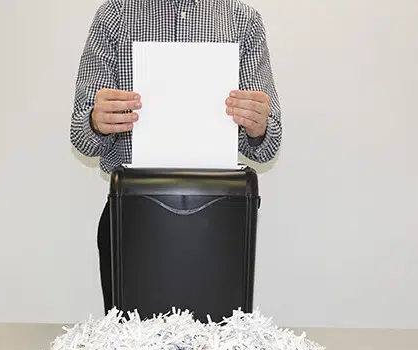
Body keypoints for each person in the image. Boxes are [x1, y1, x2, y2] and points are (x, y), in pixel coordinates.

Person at [70, 0, 283, 315]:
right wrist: (96, 121)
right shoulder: (113, 15)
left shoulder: (243, 20)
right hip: (132, 215)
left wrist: (258, 125)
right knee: (133, 349)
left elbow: (267, 146)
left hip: (220, 219)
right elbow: (81, 136)